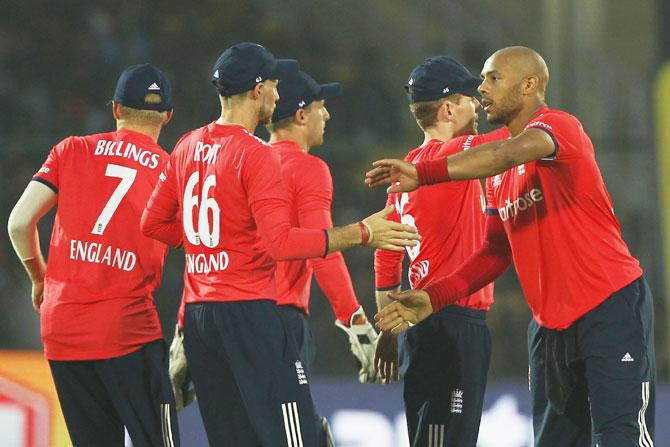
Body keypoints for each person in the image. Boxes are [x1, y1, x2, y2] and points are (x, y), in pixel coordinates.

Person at [369, 46, 655, 446]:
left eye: (492, 78)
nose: (482, 88)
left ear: (529, 85)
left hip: (608, 307)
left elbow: (507, 151)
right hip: (549, 326)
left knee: (619, 436)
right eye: (482, 79)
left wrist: (424, 172)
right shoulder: (500, 179)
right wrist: (433, 298)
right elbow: (493, 253)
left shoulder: (559, 127)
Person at [140, 42, 419, 447]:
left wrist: (211, 247)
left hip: (201, 319)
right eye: (272, 85)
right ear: (257, 91)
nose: (276, 92)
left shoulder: (186, 144)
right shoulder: (256, 155)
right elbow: (282, 245)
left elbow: (153, 222)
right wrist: (363, 232)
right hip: (251, 315)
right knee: (298, 439)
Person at [7, 64, 179, 447]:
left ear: (116, 109)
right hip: (127, 329)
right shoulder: (172, 173)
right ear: (167, 116)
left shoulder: (72, 149)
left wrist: (40, 278)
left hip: (64, 327)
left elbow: (19, 223)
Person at [373, 56, 509, 447]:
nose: (480, 105)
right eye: (471, 97)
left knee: (433, 435)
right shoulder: (460, 154)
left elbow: (387, 251)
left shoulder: (408, 168)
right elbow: (512, 141)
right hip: (453, 321)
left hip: (420, 323)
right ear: (448, 108)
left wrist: (389, 326)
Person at [266, 69, 381, 445]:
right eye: (321, 106)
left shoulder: (240, 160)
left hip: (227, 315)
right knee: (297, 433)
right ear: (301, 115)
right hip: (279, 319)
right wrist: (355, 318)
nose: (327, 115)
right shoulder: (307, 168)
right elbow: (323, 249)